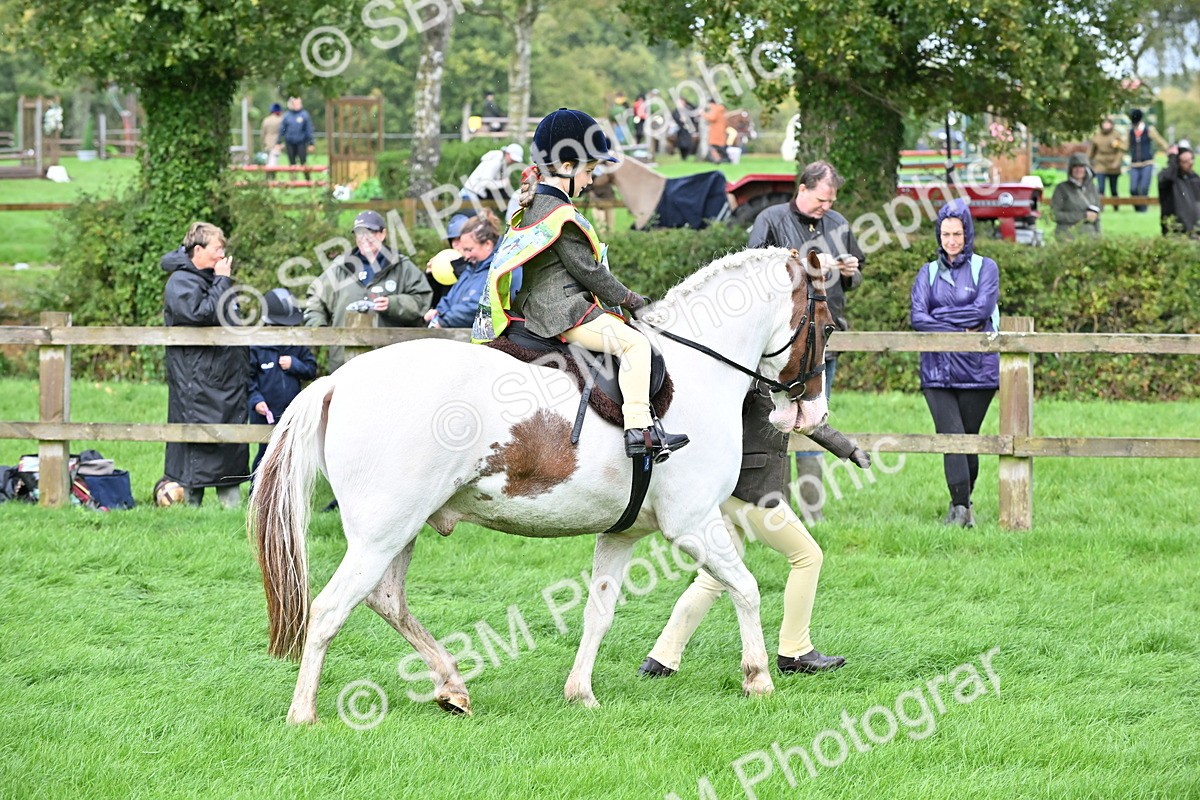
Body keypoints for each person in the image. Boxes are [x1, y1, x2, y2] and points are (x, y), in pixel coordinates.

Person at [474, 107, 688, 459]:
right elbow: (589, 273)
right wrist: (631, 298)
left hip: (538, 306)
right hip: (564, 311)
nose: (591, 180)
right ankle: (639, 429)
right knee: (636, 346)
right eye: (589, 171)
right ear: (567, 167)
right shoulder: (560, 216)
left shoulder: (532, 206)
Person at [638, 391, 845, 679]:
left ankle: (661, 659)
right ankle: (796, 651)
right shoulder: (761, 371)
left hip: (728, 487)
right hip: (750, 488)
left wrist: (846, 448)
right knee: (808, 556)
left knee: (714, 577)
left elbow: (804, 419)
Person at [748, 161, 865, 520]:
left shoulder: (839, 223)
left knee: (814, 418)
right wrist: (806, 267)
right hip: (780, 344)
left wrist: (849, 272)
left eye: (830, 201)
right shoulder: (770, 219)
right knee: (777, 420)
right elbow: (752, 269)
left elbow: (856, 279)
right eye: (821, 200)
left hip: (823, 338)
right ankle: (774, 505)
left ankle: (813, 511)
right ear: (803, 189)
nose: (826, 207)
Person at [909, 201, 1000, 528]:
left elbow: (981, 310)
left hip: (978, 370)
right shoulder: (928, 272)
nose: (951, 240)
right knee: (951, 436)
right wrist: (955, 328)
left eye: (957, 233)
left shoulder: (985, 268)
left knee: (968, 439)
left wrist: (939, 318)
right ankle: (961, 509)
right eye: (945, 234)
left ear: (967, 234)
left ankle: (962, 503)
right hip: (937, 370)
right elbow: (918, 318)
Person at [161, 222, 249, 508]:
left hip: (226, 380)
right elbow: (199, 314)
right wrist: (223, 281)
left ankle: (231, 507)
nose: (222, 254)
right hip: (197, 381)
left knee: (229, 442)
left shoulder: (211, 277)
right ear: (198, 250)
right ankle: (192, 506)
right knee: (197, 444)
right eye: (217, 248)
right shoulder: (181, 282)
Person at [303, 210, 431, 371]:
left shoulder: (402, 267)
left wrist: (393, 304)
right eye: (359, 233)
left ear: (382, 234)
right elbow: (315, 298)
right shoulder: (340, 268)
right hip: (345, 363)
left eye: (370, 232)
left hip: (390, 363)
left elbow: (422, 301)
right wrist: (319, 329)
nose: (364, 238)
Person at [249, 288, 318, 478]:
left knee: (290, 455)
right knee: (264, 455)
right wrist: (256, 400)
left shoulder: (295, 346)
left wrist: (294, 364)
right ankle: (258, 491)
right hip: (265, 414)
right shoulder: (256, 348)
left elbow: (311, 369)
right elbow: (248, 378)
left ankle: (285, 491)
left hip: (290, 413)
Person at [424, 211, 520, 328]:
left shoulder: (503, 270)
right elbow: (451, 296)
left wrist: (444, 321)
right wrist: (438, 311)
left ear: (487, 244)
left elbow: (480, 306)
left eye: (469, 249)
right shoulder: (472, 268)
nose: (466, 255)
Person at [1050, 152, 1102, 240]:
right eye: (1075, 167)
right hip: (1068, 234)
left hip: (1090, 235)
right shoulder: (1062, 188)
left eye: (1081, 167)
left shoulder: (1092, 188)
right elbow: (1055, 215)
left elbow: (1097, 216)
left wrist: (1099, 237)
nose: (1078, 170)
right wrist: (1082, 216)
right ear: (1070, 169)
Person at [425, 213, 470, 308]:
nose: (456, 244)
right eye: (453, 240)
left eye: (459, 239)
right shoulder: (445, 264)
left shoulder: (480, 264)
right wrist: (431, 278)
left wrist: (459, 267)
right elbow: (433, 302)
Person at [1128, 108, 1169, 212]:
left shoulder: (1149, 130)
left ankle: (1143, 209)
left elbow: (1160, 141)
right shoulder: (1130, 132)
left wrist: (1168, 149)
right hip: (1134, 164)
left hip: (1147, 162)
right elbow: (1125, 146)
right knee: (1133, 189)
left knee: (1144, 188)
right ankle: (1138, 207)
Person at [1158, 145, 1198, 237]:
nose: (1190, 163)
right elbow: (1168, 177)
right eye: (1186, 161)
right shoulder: (1166, 179)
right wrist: (1172, 158)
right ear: (1177, 163)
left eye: (1191, 159)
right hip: (1175, 231)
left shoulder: (1194, 178)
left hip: (1194, 231)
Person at [1087, 117, 1125, 207]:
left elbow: (1120, 150)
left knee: (1113, 188)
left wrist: (1117, 162)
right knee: (1101, 187)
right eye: (1104, 123)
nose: (1106, 125)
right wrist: (1086, 161)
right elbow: (1091, 151)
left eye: (1108, 123)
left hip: (1113, 165)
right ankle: (1101, 206)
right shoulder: (1096, 136)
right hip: (1100, 164)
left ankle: (1115, 205)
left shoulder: (1116, 135)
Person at [279, 96, 314, 177]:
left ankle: (308, 180)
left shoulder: (304, 115)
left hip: (301, 142)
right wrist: (279, 141)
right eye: (295, 103)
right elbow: (282, 129)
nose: (297, 105)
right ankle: (293, 181)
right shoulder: (287, 116)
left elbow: (308, 130)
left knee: (303, 162)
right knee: (292, 163)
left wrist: (310, 143)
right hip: (289, 142)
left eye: (298, 103)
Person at [704, 99, 727, 163]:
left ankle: (718, 159)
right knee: (717, 146)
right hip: (719, 130)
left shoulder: (716, 109)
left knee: (713, 146)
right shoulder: (720, 109)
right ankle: (719, 159)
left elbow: (712, 118)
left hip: (716, 131)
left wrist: (704, 114)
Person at [261, 102, 283, 167]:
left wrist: (263, 143)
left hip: (267, 143)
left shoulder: (266, 120)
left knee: (267, 162)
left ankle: (268, 175)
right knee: (274, 163)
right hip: (277, 144)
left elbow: (263, 133)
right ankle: (272, 176)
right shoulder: (281, 120)